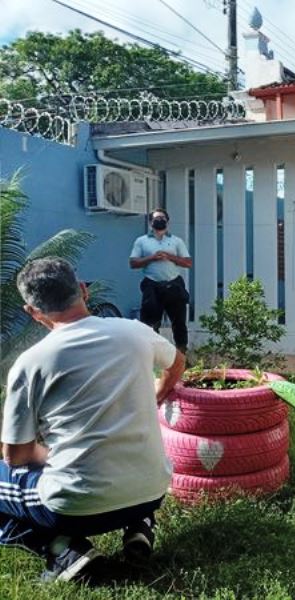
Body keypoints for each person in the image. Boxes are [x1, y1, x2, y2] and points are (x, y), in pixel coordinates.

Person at [1, 258, 184, 581]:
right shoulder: (135, 332)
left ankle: (66, 552)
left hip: (77, 505)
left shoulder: (31, 364)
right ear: (83, 290)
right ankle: (140, 527)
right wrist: (158, 391)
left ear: (32, 312)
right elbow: (177, 362)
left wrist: (48, 455)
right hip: (151, 489)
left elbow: (15, 455)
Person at [130, 208, 193, 354]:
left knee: (179, 324)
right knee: (150, 324)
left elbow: (188, 263)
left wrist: (170, 257)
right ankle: (155, 355)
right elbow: (133, 263)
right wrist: (152, 257)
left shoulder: (176, 241)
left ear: (168, 221)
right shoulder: (142, 241)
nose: (160, 221)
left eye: (163, 218)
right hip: (152, 285)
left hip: (174, 284)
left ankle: (181, 356)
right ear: (151, 222)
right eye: (157, 219)